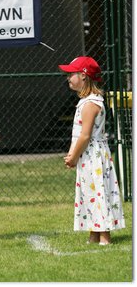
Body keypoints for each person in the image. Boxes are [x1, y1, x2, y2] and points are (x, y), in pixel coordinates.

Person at [58, 56, 125, 245]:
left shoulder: (90, 104)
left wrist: (73, 156)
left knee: (97, 192)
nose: (68, 78)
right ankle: (94, 234)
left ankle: (104, 236)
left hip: (92, 155)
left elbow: (85, 135)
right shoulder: (88, 101)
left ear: (84, 76)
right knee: (90, 192)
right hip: (89, 155)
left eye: (71, 74)